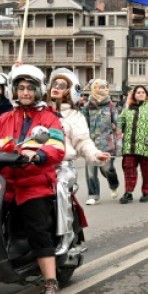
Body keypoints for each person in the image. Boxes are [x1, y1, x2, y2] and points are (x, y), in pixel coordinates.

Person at [0, 65, 67, 294]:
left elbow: (56, 145)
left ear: (38, 90)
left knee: (38, 231)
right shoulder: (4, 119)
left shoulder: (48, 118)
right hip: (4, 184)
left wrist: (39, 155)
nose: (25, 92)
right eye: (21, 88)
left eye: (30, 88)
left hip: (34, 184)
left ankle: (51, 284)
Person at [48, 69, 111, 247]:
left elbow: (83, 141)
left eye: (62, 85)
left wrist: (95, 154)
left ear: (70, 91)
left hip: (62, 166)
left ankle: (65, 236)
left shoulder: (74, 115)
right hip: (36, 164)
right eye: (54, 84)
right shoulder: (39, 110)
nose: (56, 88)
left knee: (60, 188)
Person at [118, 85, 148, 203]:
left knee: (147, 171)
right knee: (128, 169)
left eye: (143, 92)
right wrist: (118, 128)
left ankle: (146, 192)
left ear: (146, 94)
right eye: (138, 92)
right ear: (134, 95)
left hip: (147, 145)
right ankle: (128, 192)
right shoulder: (128, 108)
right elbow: (121, 120)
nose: (140, 94)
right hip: (129, 145)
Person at [83, 78, 121, 205]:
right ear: (94, 89)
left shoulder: (111, 106)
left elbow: (118, 125)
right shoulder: (87, 106)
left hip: (107, 144)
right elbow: (83, 125)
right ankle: (93, 195)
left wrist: (119, 144)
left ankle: (113, 185)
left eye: (105, 87)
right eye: (101, 87)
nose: (104, 89)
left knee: (108, 170)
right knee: (91, 172)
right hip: (91, 144)